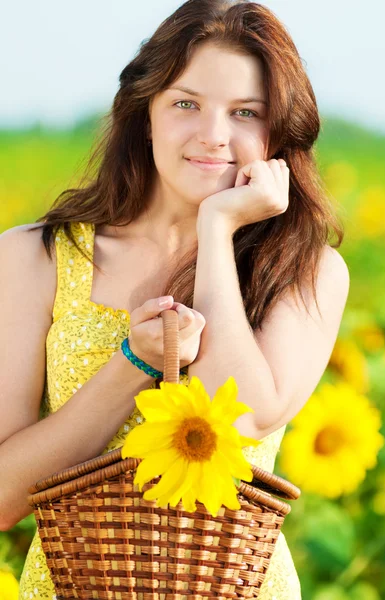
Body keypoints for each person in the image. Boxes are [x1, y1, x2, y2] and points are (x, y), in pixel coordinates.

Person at [0, 1, 350, 598]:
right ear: (145, 114)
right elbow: (4, 496)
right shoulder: (36, 256)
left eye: (246, 113)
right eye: (186, 103)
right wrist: (130, 367)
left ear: (277, 133)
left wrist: (216, 231)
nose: (214, 135)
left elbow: (238, 418)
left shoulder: (306, 270)